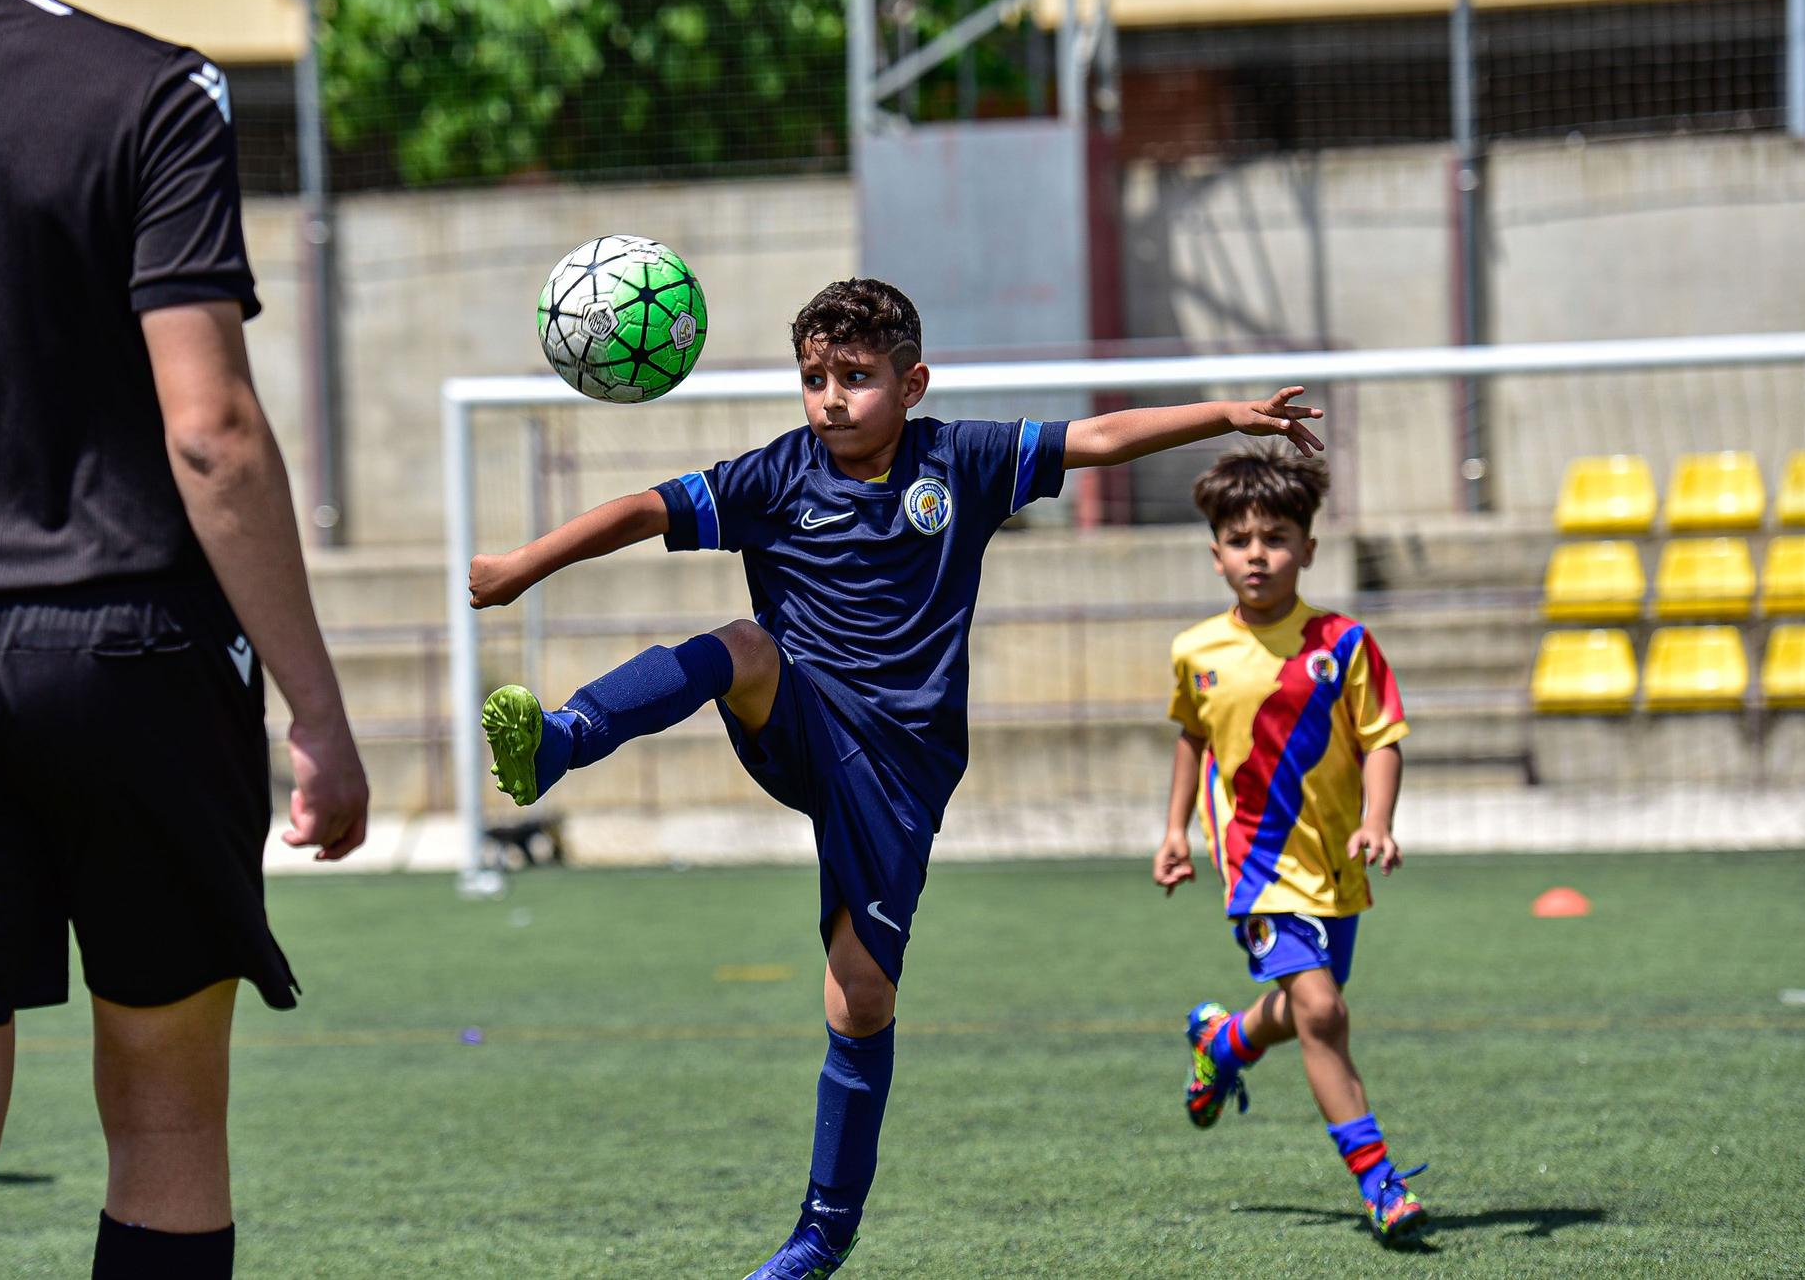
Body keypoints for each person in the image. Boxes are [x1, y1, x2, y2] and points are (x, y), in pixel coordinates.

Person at [468, 277, 1323, 1277]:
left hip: (901, 767)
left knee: (859, 997)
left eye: (855, 376)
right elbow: (644, 507)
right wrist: (527, 562)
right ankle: (564, 737)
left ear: (910, 382)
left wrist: (1224, 413)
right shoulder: (778, 474)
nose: (830, 397)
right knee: (741, 642)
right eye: (812, 378)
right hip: (795, 717)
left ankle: (820, 1233)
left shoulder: (959, 461)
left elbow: (1093, 438)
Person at [0, 0, 370, 1276]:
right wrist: (316, 707)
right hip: (137, 663)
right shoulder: (154, 88)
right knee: (167, 1121)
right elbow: (213, 434)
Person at [1152, 450, 1426, 1244]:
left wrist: (1377, 821)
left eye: (1276, 536)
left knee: (1306, 1010)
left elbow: (1383, 740)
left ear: (1308, 547)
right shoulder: (1197, 651)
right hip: (1257, 865)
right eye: (1239, 540)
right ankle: (1380, 1183)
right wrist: (1175, 831)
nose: (1257, 553)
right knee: (1324, 1010)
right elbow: (1190, 739)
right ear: (1216, 554)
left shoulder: (1344, 645)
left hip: (1335, 861)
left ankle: (1224, 1039)